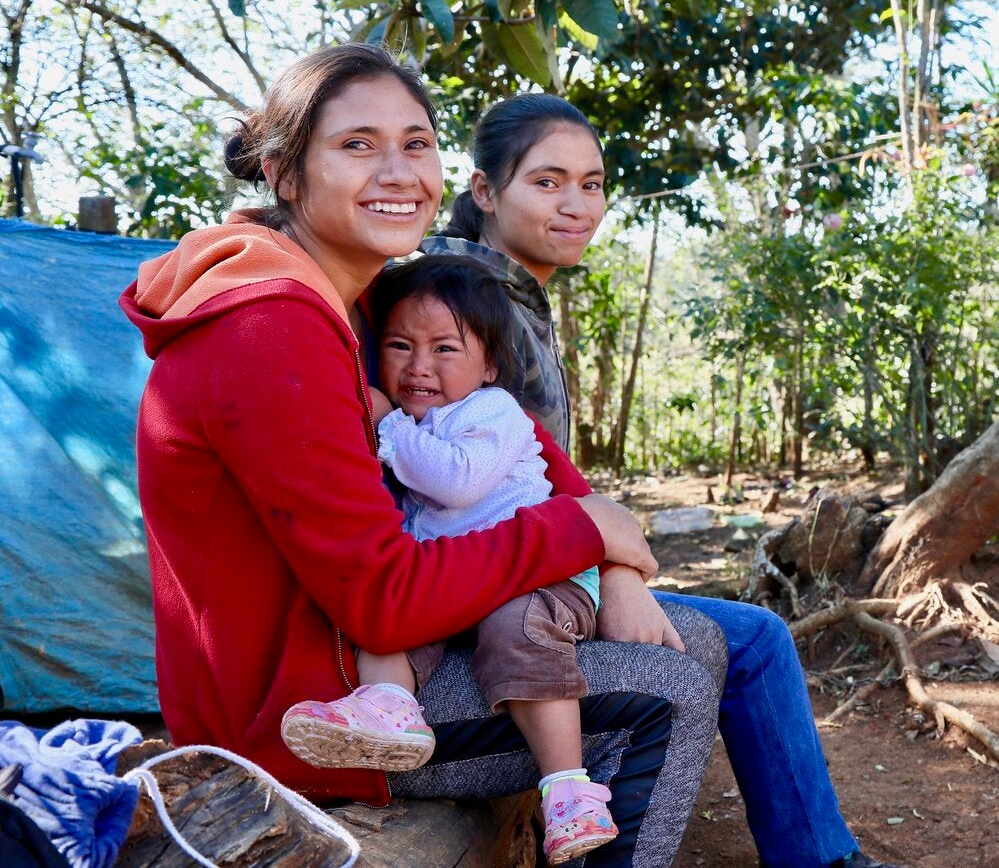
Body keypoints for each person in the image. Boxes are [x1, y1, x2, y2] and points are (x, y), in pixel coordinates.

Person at [120, 44, 723, 868]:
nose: (398, 171)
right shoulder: (270, 327)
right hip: (312, 708)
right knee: (673, 686)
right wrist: (584, 532)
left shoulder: (355, 293)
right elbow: (383, 602)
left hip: (361, 655)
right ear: (284, 174)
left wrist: (611, 549)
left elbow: (512, 428)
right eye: (357, 145)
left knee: (693, 641)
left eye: (417, 142)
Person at [421, 92, 906, 868]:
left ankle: (814, 854)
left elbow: (541, 473)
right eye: (546, 183)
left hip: (528, 571)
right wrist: (611, 569)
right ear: (485, 192)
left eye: (592, 183)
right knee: (748, 639)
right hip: (481, 596)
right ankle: (816, 859)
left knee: (750, 636)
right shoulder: (467, 302)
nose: (577, 205)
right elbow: (474, 481)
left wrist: (611, 558)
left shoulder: (505, 290)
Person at [282, 255, 618, 864]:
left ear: (488, 365)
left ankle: (568, 788)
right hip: (463, 577)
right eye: (399, 345)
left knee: (517, 630)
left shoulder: (491, 414)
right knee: (388, 614)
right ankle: (390, 711)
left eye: (444, 349)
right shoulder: (417, 424)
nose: (418, 368)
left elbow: (457, 482)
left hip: (541, 580)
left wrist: (388, 426)